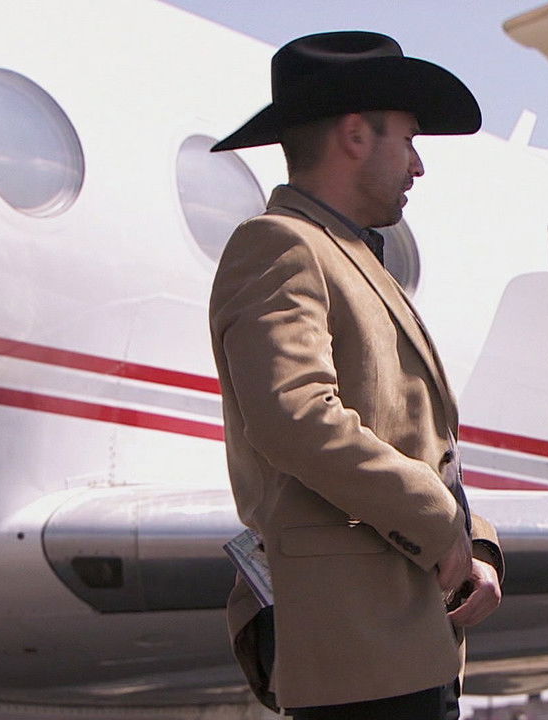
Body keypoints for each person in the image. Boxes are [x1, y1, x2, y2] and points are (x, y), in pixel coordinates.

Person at [208, 31, 503, 720]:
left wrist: (475, 543)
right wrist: (439, 526)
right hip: (355, 648)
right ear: (354, 135)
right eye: (408, 138)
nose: (418, 164)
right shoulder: (280, 244)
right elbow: (295, 416)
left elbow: (415, 443)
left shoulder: (344, 254)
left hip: (403, 637)